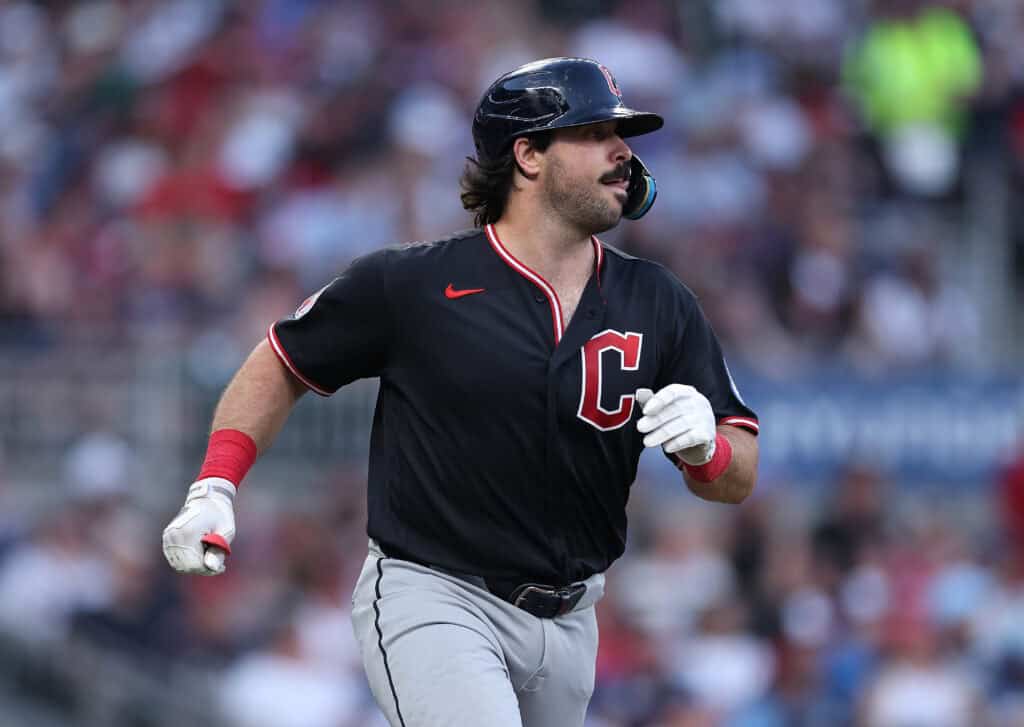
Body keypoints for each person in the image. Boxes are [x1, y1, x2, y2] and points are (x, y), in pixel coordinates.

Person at [162, 57, 760, 727]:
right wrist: (215, 484)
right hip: (437, 593)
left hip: (572, 620)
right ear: (528, 155)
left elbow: (736, 474)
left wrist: (709, 448)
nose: (622, 151)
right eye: (593, 133)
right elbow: (280, 361)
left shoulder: (659, 299)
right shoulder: (413, 283)